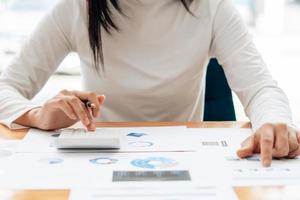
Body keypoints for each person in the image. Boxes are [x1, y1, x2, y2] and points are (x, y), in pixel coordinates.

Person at [0, 0, 299, 167]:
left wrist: (274, 122)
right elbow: (6, 87)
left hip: (184, 166)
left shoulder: (212, 8)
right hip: (100, 164)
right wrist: (37, 114)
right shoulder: (78, 8)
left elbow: (260, 87)